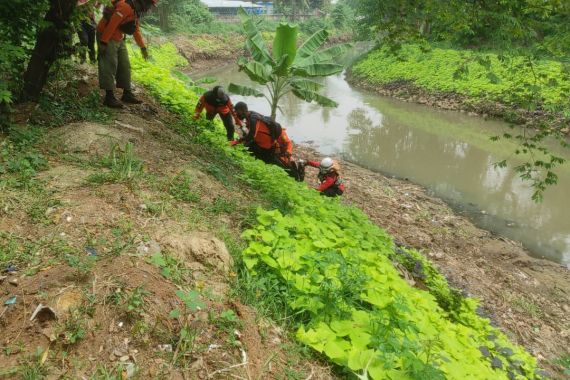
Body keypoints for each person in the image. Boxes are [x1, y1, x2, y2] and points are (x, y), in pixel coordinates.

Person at [96, 0, 156, 108]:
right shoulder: (125, 6)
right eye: (149, 4)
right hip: (106, 35)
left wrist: (143, 48)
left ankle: (127, 94)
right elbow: (112, 24)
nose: (149, 8)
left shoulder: (135, 11)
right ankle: (109, 97)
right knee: (109, 64)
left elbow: (135, 30)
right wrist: (104, 42)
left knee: (125, 65)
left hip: (119, 37)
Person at [231, 101, 304, 180]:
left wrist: (237, 141)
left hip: (269, 148)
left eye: (238, 112)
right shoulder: (250, 117)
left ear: (244, 110)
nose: (237, 114)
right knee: (254, 153)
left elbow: (251, 135)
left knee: (280, 165)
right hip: (262, 145)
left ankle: (296, 177)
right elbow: (251, 134)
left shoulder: (254, 119)